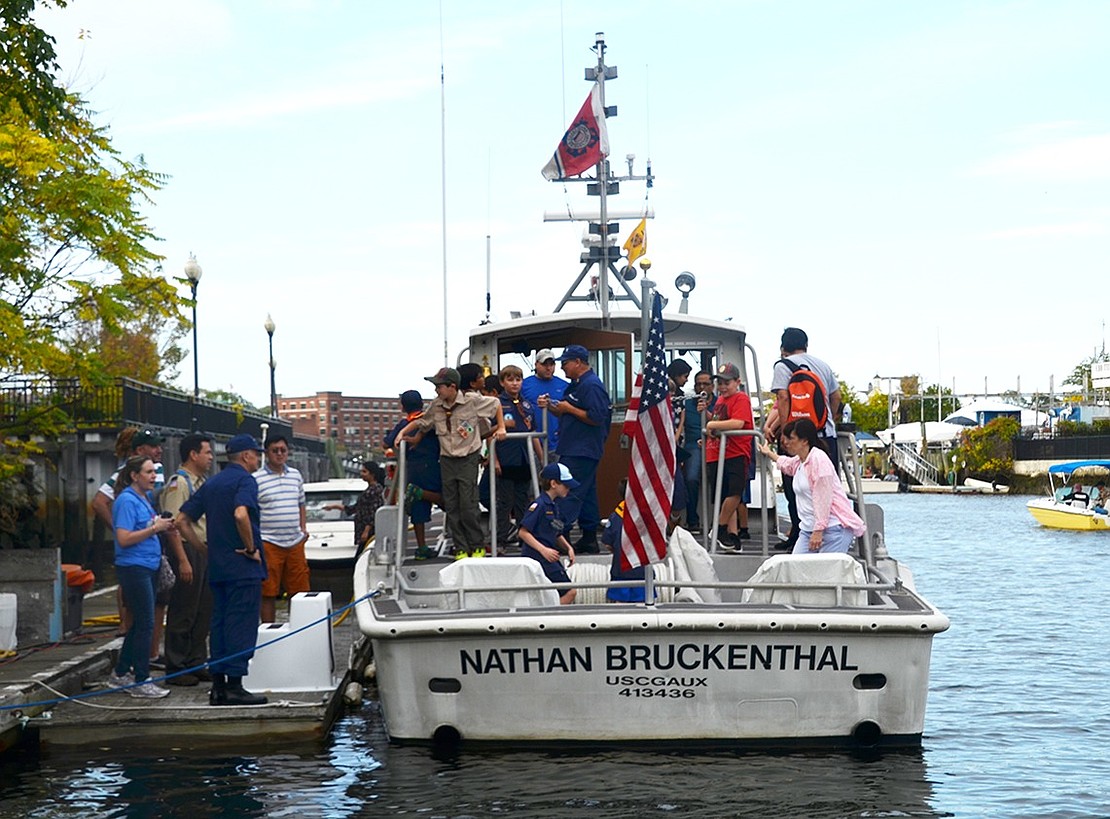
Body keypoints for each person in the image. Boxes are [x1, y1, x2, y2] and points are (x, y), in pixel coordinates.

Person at [176, 434, 269, 707]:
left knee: (219, 624)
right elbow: (241, 514)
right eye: (256, 453)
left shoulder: (212, 483)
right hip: (243, 568)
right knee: (241, 624)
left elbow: (182, 520)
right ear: (245, 456)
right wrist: (251, 548)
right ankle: (236, 686)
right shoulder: (245, 480)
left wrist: (204, 549)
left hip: (218, 567)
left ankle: (217, 687)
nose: (258, 458)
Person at [394, 367, 506, 558]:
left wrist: (501, 427)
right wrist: (403, 433)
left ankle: (476, 544)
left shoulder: (471, 401)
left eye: (439, 387)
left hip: (467, 457)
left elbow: (495, 405)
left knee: (468, 504)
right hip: (447, 459)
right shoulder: (437, 405)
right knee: (452, 505)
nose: (437, 391)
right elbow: (423, 422)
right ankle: (460, 547)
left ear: (452, 387)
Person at [763, 327, 842, 550]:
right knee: (828, 487)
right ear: (806, 344)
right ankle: (829, 532)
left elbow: (782, 398)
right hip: (825, 435)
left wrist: (787, 433)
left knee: (795, 488)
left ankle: (799, 535)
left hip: (799, 439)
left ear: (783, 347)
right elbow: (836, 397)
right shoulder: (822, 366)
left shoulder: (783, 365)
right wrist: (829, 420)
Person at [107, 456, 174, 699]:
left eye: (154, 471)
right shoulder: (126, 500)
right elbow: (124, 538)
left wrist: (161, 525)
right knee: (146, 621)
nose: (153, 476)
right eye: (148, 472)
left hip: (148, 564)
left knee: (142, 622)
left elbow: (144, 528)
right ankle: (141, 679)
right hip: (134, 567)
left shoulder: (143, 499)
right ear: (135, 475)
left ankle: (121, 671)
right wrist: (154, 529)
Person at [537, 345, 612, 553]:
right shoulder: (578, 385)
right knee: (587, 493)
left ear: (578, 362)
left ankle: (561, 537)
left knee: (566, 491)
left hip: (582, 449)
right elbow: (568, 411)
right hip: (575, 446)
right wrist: (552, 406)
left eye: (565, 363)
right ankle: (589, 537)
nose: (562, 368)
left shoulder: (592, 386)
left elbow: (597, 417)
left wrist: (568, 408)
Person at [757, 418, 865, 555]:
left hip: (833, 528)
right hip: (808, 528)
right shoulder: (801, 461)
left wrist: (818, 530)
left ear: (804, 441)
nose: (786, 442)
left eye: (791, 438)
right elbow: (788, 465)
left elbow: (823, 498)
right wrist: (769, 453)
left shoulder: (819, 461)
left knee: (825, 574)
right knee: (796, 568)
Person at [159, 433, 214, 687]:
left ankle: (196, 660)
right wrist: (182, 561)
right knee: (183, 608)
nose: (211, 457)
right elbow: (172, 525)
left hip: (200, 548)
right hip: (185, 549)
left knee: (203, 609)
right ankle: (176, 665)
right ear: (193, 454)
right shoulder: (178, 483)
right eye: (207, 452)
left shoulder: (200, 481)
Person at [254, 433, 308, 624]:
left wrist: (303, 530)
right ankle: (269, 631)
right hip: (269, 542)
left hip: (295, 542)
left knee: (299, 592)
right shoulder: (256, 479)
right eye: (275, 450)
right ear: (267, 453)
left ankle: (298, 629)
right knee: (268, 592)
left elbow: (302, 503)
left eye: (283, 450)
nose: (279, 454)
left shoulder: (296, 475)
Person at [385, 390, 443, 559]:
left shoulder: (403, 425)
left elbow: (386, 443)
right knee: (446, 500)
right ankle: (420, 492)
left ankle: (422, 547)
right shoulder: (427, 420)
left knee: (418, 509)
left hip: (411, 469)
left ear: (403, 407)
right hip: (431, 466)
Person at [704, 362, 754, 551]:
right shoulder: (719, 401)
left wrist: (711, 426)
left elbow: (739, 423)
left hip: (736, 452)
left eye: (727, 382)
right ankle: (731, 536)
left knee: (735, 493)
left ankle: (718, 527)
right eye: (720, 383)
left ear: (737, 382)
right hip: (718, 452)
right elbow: (718, 422)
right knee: (725, 495)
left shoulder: (741, 398)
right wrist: (711, 427)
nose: (723, 387)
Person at [494, 365, 541, 549]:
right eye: (510, 380)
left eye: (518, 380)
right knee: (505, 503)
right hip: (506, 460)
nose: (515, 384)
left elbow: (533, 432)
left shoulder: (527, 404)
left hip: (524, 460)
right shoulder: (497, 404)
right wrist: (495, 460)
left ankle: (525, 539)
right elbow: (490, 436)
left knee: (524, 502)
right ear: (502, 382)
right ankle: (501, 541)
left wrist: (541, 458)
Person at [518, 463, 578, 605]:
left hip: (549, 557)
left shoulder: (554, 506)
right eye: (566, 485)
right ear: (553, 484)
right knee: (570, 591)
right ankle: (549, 616)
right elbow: (523, 532)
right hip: (539, 558)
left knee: (556, 592)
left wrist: (568, 547)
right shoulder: (539, 506)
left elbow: (556, 532)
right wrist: (543, 550)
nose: (568, 489)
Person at [600, 480, 648, 602]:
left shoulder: (615, 517)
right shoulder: (647, 516)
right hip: (642, 573)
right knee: (645, 608)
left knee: (620, 611)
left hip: (620, 573)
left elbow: (607, 542)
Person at [328, 462, 386, 556]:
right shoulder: (369, 490)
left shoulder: (375, 490)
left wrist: (366, 531)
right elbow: (356, 508)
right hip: (362, 528)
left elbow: (373, 512)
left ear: (372, 474)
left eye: (364, 472)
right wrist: (335, 507)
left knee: (362, 554)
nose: (361, 474)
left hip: (368, 531)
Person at [682, 370, 715, 531]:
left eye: (706, 384)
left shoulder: (721, 402)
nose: (702, 387)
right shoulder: (686, 404)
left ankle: (719, 523)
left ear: (712, 386)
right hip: (693, 446)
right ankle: (692, 520)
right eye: (698, 384)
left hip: (716, 445)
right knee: (691, 478)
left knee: (720, 479)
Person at [520, 348, 568, 456]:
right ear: (536, 364)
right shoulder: (524, 385)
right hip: (532, 444)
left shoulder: (564, 386)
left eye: (551, 364)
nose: (548, 368)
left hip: (558, 444)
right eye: (544, 364)